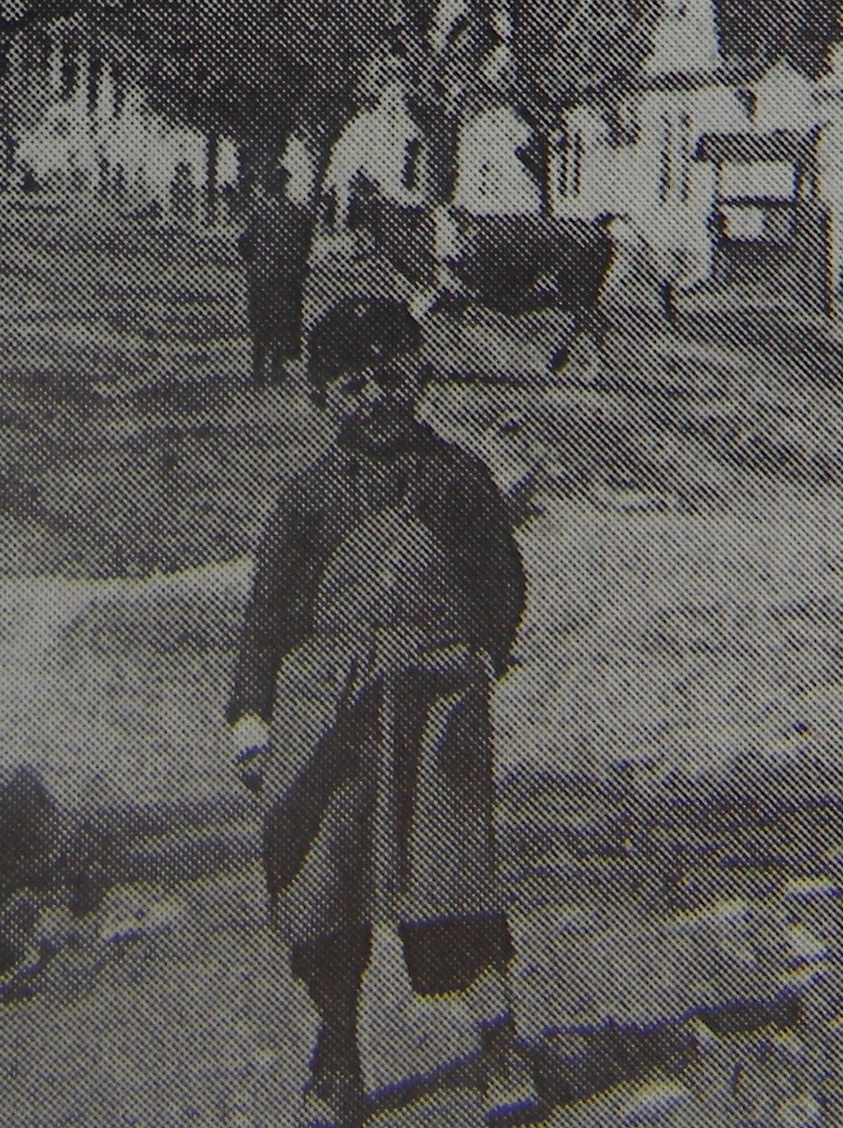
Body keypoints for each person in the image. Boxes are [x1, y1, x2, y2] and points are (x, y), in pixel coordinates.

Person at [229, 296, 540, 1128]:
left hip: (435, 708)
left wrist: (482, 656)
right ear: (323, 399)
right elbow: (267, 617)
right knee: (328, 881)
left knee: (452, 872)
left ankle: (499, 1046)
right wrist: (252, 719)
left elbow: (500, 586)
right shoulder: (306, 501)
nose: (377, 399)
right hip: (327, 714)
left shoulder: (460, 482)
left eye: (393, 379)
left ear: (422, 379)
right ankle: (337, 1059)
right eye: (355, 385)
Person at [240, 178, 318, 385]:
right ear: (286, 186)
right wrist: (298, 264)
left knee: (260, 320)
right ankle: (277, 367)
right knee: (282, 321)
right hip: (287, 276)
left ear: (268, 188)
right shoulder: (297, 212)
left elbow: (244, 243)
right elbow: (306, 243)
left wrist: (254, 261)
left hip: (262, 276)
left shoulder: (258, 212)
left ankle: (257, 370)